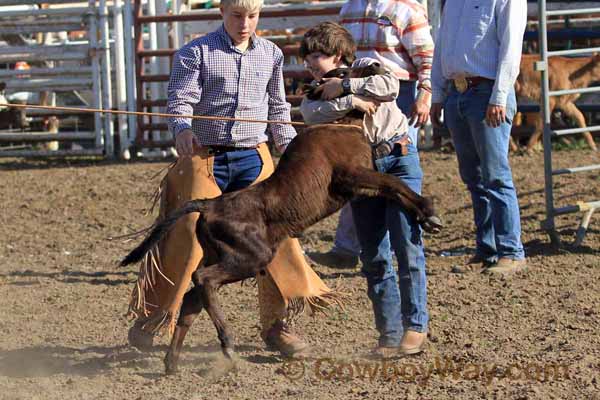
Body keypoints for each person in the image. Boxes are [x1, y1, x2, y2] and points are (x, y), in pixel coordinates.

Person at [126, 0, 342, 358]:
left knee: (277, 236)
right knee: (185, 234)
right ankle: (155, 316)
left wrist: (292, 154)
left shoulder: (270, 54)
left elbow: (276, 108)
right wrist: (181, 129)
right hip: (205, 154)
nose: (245, 24)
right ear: (222, 12)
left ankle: (276, 325)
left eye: (252, 16)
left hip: (252, 156)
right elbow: (180, 101)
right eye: (238, 15)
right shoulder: (195, 52)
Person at [300, 21, 429, 357]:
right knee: (373, 254)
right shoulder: (315, 88)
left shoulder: (365, 67)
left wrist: (344, 87)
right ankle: (389, 333)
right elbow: (312, 113)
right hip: (361, 172)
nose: (312, 63)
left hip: (397, 157)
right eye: (309, 57)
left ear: (340, 56)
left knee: (406, 244)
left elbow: (390, 86)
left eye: (319, 56)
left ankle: (415, 326)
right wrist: (353, 102)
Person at [309, 0, 434, 269]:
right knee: (359, 167)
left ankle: (398, 237)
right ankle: (353, 247)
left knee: (392, 159)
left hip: (392, 89)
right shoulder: (350, 8)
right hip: (347, 87)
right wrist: (345, 88)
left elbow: (425, 55)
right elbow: (337, 45)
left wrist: (425, 92)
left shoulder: (406, 9)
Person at [430, 0, 527, 274]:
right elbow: (442, 45)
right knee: (474, 177)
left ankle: (511, 251)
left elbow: (511, 48)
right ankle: (488, 249)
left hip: (486, 92)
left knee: (495, 175)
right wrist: (438, 92)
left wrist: (499, 95)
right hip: (458, 92)